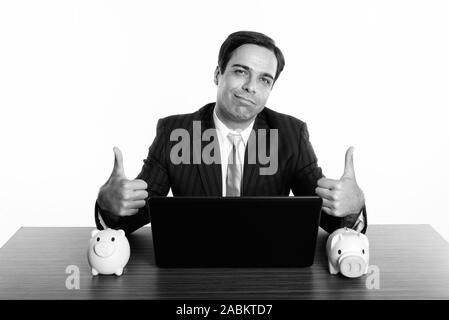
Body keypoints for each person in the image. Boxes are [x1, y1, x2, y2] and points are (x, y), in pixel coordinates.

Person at [95, 31, 367, 235]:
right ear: (218, 74)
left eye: (264, 79)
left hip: (267, 262)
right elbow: (135, 213)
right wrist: (109, 204)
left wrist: (352, 207)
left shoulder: (290, 134)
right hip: (193, 264)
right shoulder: (175, 132)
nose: (251, 87)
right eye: (240, 72)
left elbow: (328, 216)